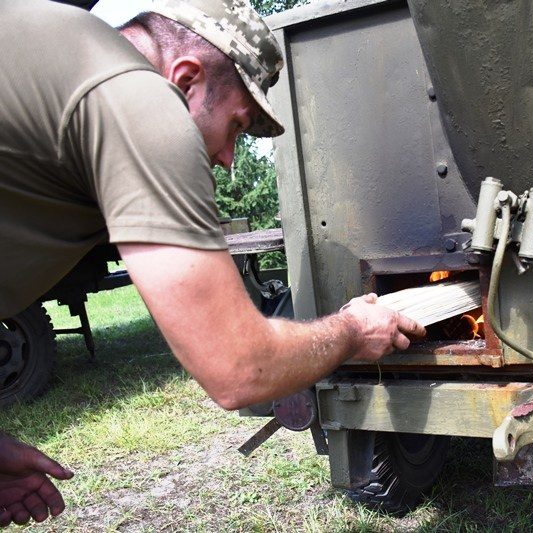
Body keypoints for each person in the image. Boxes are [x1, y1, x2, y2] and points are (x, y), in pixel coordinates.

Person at [0, 0, 424, 526]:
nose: (227, 159)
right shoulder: (139, 102)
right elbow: (241, 369)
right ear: (186, 81)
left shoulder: (52, 52)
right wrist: (356, 330)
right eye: (237, 126)